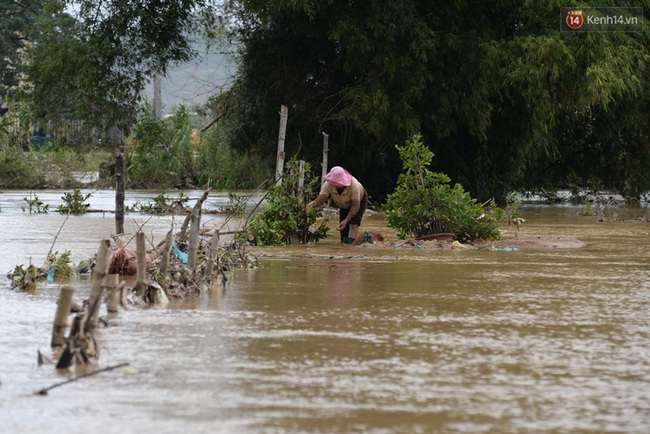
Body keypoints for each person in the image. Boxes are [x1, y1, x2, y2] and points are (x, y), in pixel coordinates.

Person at [306, 166, 368, 243]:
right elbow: (322, 197)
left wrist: (347, 219)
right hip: (343, 204)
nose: (334, 184)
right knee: (343, 228)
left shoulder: (353, 184)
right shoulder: (328, 184)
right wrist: (314, 203)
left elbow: (356, 205)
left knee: (353, 223)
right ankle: (344, 247)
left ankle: (352, 248)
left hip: (358, 201)